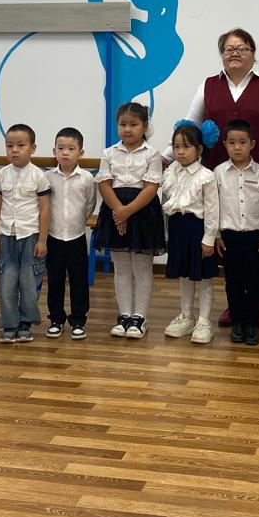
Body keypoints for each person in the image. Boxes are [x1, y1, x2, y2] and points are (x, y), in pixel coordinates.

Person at [177, 27, 259, 331]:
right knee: (229, 243)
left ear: (253, 53)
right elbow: (190, 125)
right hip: (220, 173)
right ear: (221, 54)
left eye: (242, 48)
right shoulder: (208, 85)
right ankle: (235, 304)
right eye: (228, 49)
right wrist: (167, 156)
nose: (235, 53)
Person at [93, 102, 165, 340]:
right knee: (121, 266)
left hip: (142, 212)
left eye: (133, 124)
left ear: (144, 126)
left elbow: (151, 187)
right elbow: (104, 185)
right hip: (115, 210)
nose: (127, 129)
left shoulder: (152, 154)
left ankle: (140, 317)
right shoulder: (109, 153)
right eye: (123, 124)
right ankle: (124, 314)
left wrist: (128, 211)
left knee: (142, 267)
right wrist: (119, 211)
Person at [161, 119, 221, 346]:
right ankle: (186, 316)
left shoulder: (206, 175)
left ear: (199, 149)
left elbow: (213, 210)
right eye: (176, 146)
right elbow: (166, 205)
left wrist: (209, 239)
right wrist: (166, 235)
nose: (180, 151)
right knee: (184, 275)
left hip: (198, 230)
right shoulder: (170, 172)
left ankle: (204, 320)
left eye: (186, 147)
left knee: (203, 277)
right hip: (178, 228)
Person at [0, 123, 51, 344]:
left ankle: (25, 322)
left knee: (29, 281)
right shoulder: (1, 175)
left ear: (32, 148)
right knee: (6, 282)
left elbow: (45, 209)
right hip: (6, 236)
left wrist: (42, 240)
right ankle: (9, 323)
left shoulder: (39, 176)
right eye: (9, 146)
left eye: (20, 145)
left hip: (31, 236)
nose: (14, 150)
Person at [214, 119, 259, 346]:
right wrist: (217, 235)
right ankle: (237, 322)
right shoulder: (219, 172)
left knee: (254, 281)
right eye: (232, 142)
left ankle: (252, 323)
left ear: (252, 144)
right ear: (225, 145)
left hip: (255, 237)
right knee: (233, 281)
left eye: (242, 142)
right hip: (229, 237)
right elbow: (214, 206)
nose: (237, 147)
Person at [45, 127, 97, 340]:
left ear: (80, 153)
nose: (65, 152)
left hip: (76, 237)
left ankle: (78, 320)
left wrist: (78, 222)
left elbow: (90, 204)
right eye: (61, 148)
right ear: (54, 151)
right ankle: (56, 319)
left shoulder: (87, 179)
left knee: (79, 280)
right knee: (55, 280)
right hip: (53, 237)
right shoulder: (47, 177)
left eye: (71, 148)